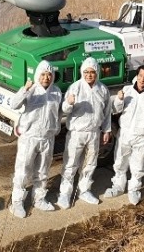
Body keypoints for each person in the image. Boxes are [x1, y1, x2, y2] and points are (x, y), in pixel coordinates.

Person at [8, 60, 62, 218]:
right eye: (43, 74)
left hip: (47, 138)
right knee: (23, 170)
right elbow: (14, 104)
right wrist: (24, 89)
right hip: (30, 137)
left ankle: (38, 198)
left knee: (42, 171)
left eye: (49, 75)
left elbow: (57, 114)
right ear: (38, 75)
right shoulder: (30, 90)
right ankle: (16, 202)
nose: (46, 77)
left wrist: (55, 129)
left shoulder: (57, 92)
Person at [56, 57, 112, 209]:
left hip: (94, 132)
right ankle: (65, 193)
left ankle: (84, 190)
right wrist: (68, 103)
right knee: (71, 162)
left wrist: (106, 130)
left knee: (89, 163)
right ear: (82, 72)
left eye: (92, 72)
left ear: (97, 72)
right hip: (76, 132)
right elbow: (64, 110)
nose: (89, 75)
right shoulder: (75, 88)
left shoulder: (103, 89)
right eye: (86, 72)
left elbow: (106, 112)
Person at [103, 65, 144, 205]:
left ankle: (134, 189)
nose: (143, 79)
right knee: (120, 161)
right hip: (125, 133)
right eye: (141, 76)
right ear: (137, 75)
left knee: (138, 164)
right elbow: (116, 110)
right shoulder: (127, 90)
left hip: (142, 136)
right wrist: (119, 99)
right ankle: (118, 186)